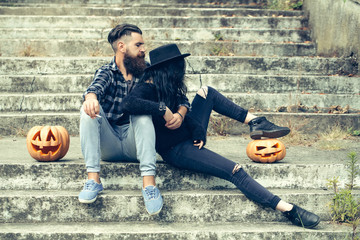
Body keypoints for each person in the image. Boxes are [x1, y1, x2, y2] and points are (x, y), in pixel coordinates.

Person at [121, 43, 320, 228]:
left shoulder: (171, 86)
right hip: (178, 149)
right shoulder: (147, 87)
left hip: (189, 136)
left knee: (207, 92)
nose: (182, 71)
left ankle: (255, 121)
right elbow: (128, 104)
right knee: (235, 170)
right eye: (179, 67)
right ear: (169, 69)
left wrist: (193, 125)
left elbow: (184, 104)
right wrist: (162, 109)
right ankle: (289, 209)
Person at [78, 24, 190, 216]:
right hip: (109, 141)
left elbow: (181, 98)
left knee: (142, 113)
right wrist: (90, 99)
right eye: (138, 45)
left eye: (143, 45)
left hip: (136, 143)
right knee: (87, 112)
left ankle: (149, 185)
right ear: (122, 47)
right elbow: (94, 88)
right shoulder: (107, 72)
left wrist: (180, 113)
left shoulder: (148, 72)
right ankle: (93, 180)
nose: (143, 49)